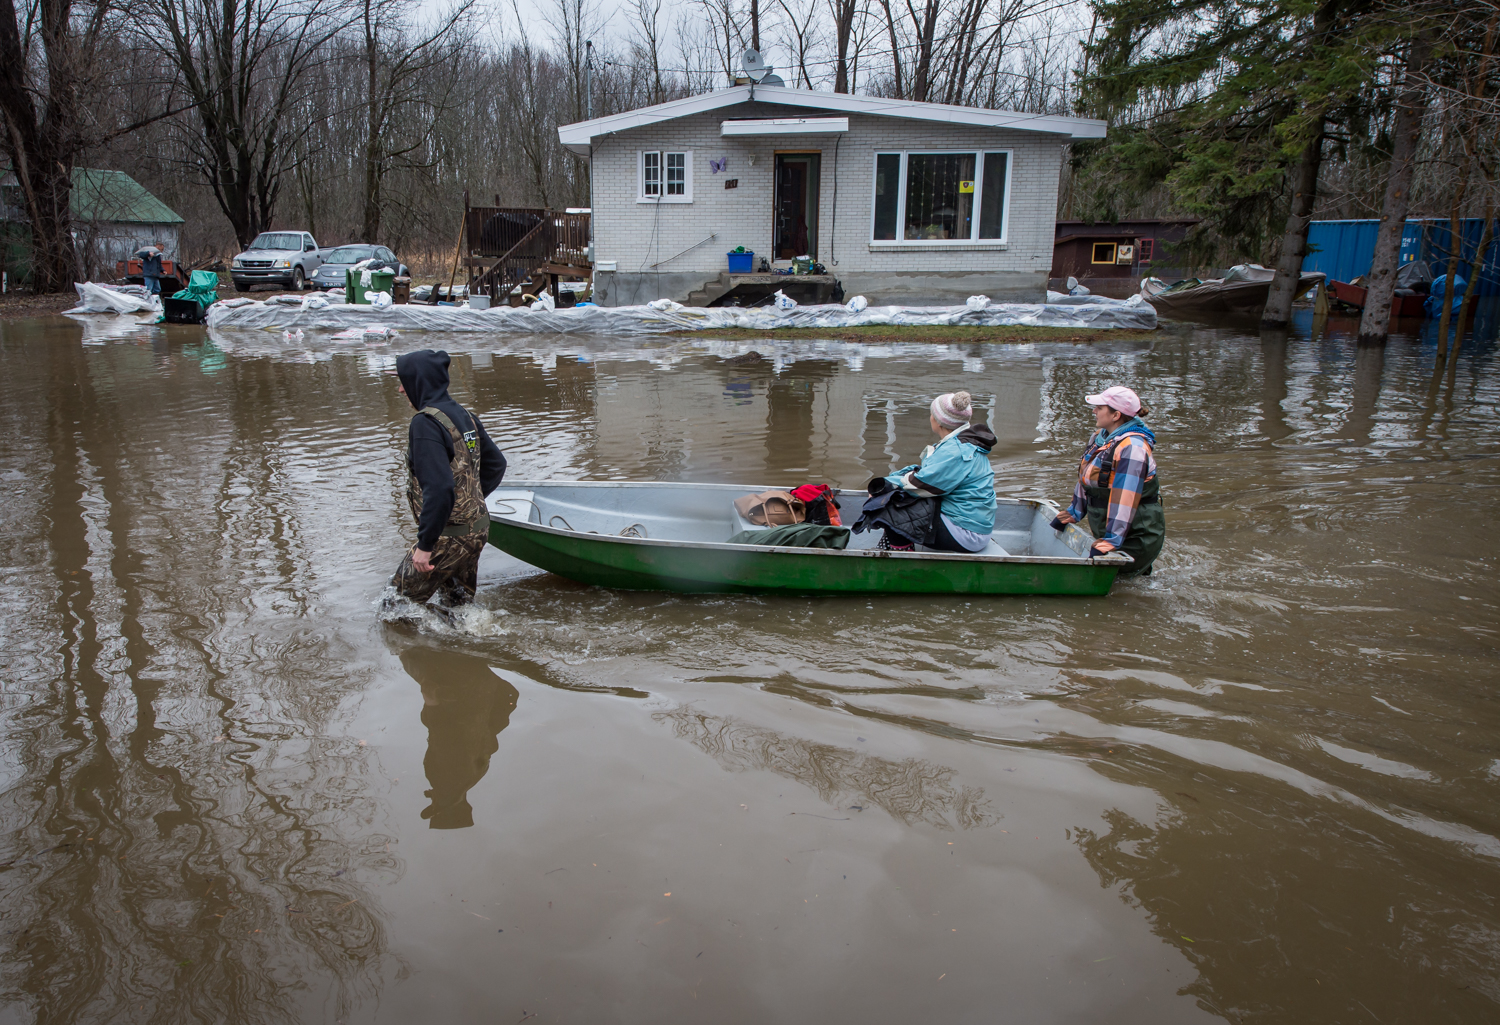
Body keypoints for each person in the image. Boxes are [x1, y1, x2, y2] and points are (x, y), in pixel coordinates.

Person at [391, 349, 507, 605]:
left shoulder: (425, 423)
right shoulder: (465, 415)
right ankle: (466, 644)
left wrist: (425, 545)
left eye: (404, 381)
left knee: (394, 607)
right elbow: (496, 465)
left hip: (447, 537)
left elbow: (440, 487)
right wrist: (468, 505)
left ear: (419, 381)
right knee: (457, 608)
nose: (401, 389)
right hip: (477, 530)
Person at [1051, 385, 1165, 576]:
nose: (1094, 411)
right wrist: (1074, 512)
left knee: (1122, 587)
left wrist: (1111, 541)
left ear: (1116, 415)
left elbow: (1125, 499)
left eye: (1100, 408)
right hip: (1111, 527)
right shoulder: (1100, 437)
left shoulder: (1132, 448)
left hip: (1136, 533)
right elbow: (1085, 477)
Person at [869, 390, 997, 552]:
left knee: (889, 506)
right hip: (974, 527)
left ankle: (901, 556)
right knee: (896, 494)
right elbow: (923, 471)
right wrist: (889, 481)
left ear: (939, 422)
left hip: (966, 533)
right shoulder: (964, 443)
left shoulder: (955, 451)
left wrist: (883, 488)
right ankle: (895, 546)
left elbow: (919, 485)